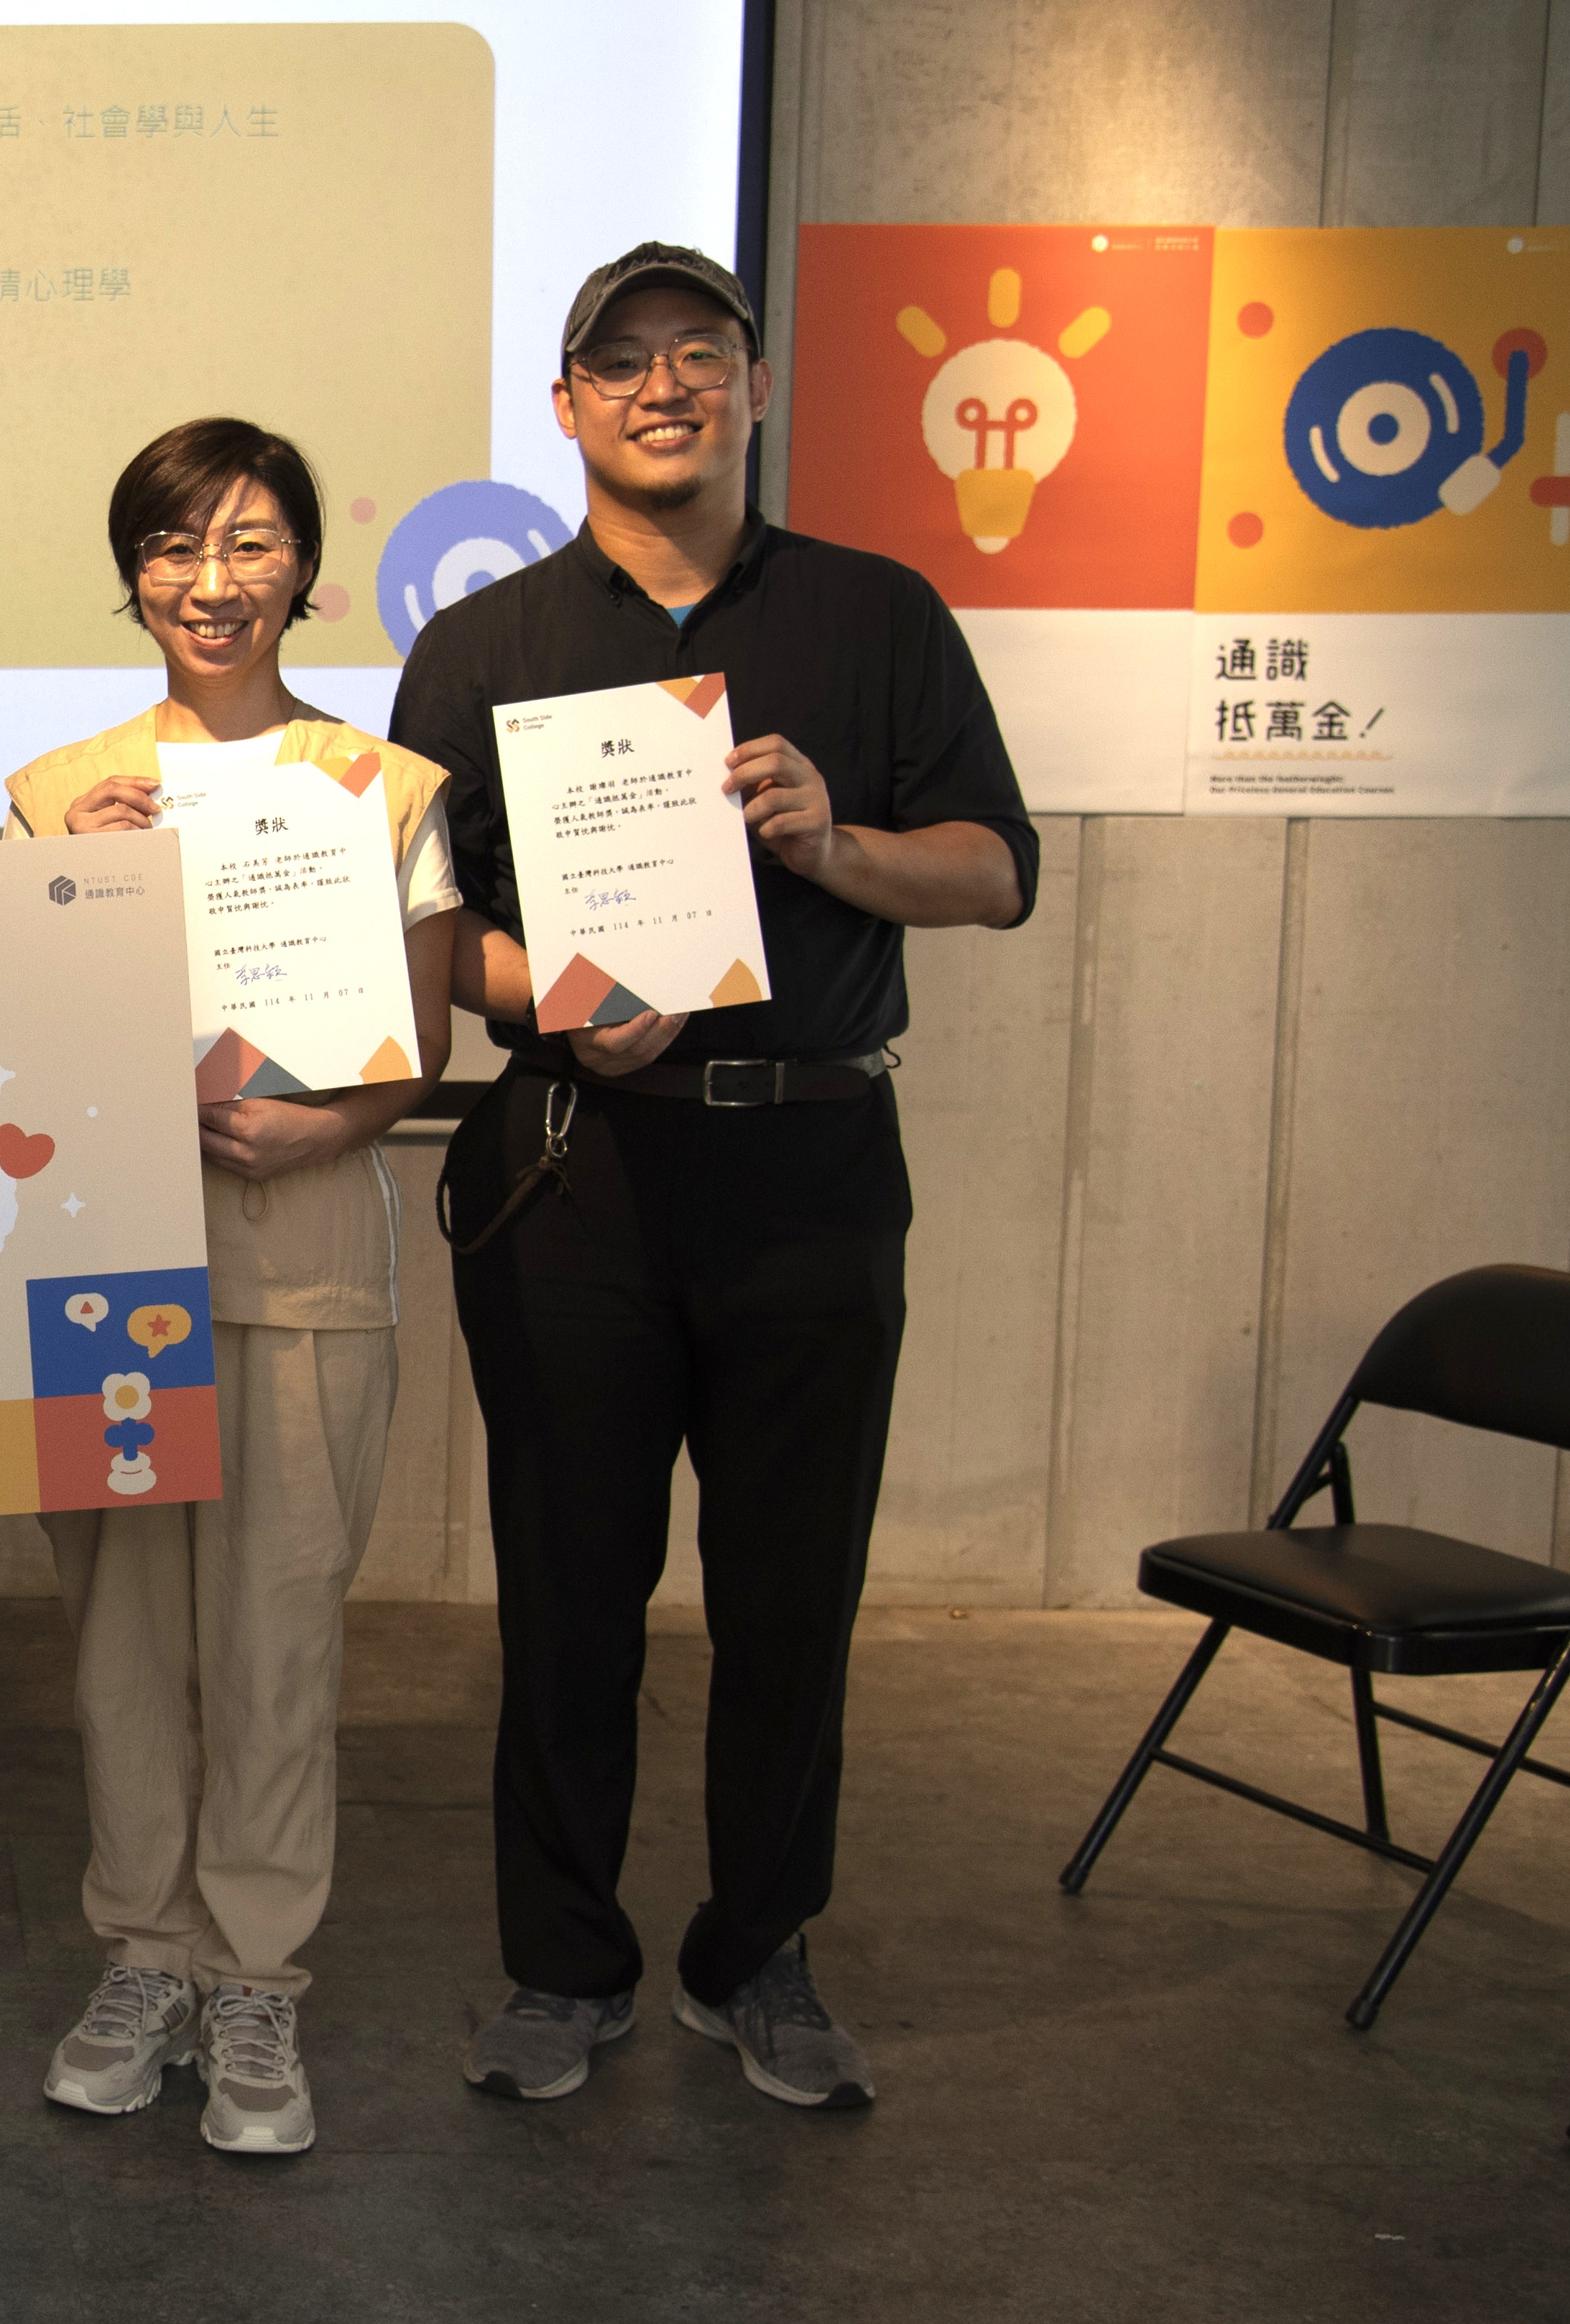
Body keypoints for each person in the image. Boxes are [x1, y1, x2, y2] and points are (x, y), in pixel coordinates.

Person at [389, 241, 1037, 2112]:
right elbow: (421, 922)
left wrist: (831, 838)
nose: (662, 382)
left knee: (788, 1590)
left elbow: (992, 867)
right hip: (573, 1164)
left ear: (753, 385)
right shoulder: (486, 641)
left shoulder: (875, 613)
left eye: (700, 351)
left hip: (810, 1154)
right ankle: (558, 1960)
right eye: (621, 358)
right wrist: (555, 995)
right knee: (565, 1586)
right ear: (566, 402)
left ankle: (759, 1949)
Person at [0, 418, 460, 2155]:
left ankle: (256, 1979)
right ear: (132, 573)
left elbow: (411, 1044)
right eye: (177, 544)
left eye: (251, 542)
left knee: (277, 1640)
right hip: (108, 1273)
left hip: (303, 1259)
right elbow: (14, 1050)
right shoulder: (58, 789)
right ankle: (141, 1954)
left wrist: (329, 1119)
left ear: (303, 574)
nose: (214, 579)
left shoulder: (385, 786)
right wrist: (75, 884)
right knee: (118, 1643)